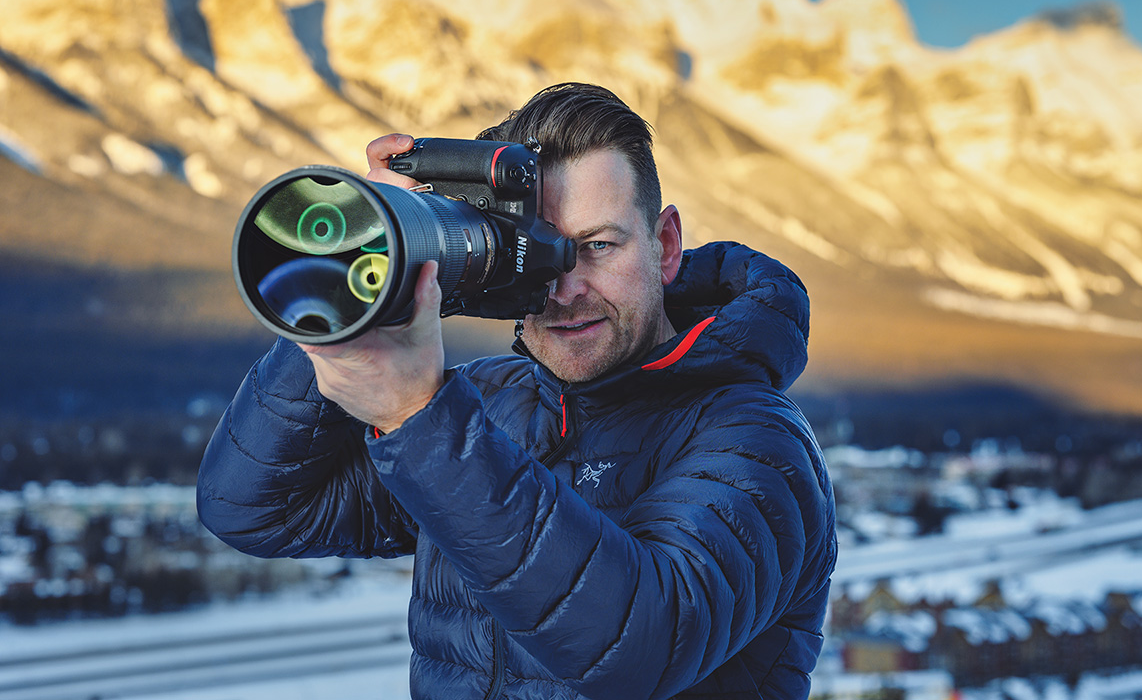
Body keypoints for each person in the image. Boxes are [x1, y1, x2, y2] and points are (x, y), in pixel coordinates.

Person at [197, 82, 837, 700]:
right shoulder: (485, 412)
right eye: (530, 254)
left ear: (665, 246)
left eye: (596, 247)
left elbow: (639, 648)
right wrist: (353, 288)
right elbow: (252, 509)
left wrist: (419, 421)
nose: (563, 287)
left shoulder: (757, 441)